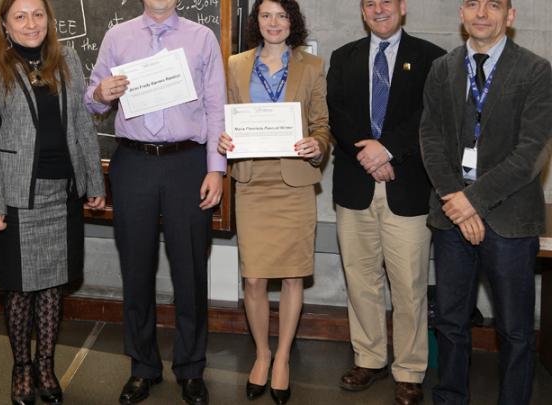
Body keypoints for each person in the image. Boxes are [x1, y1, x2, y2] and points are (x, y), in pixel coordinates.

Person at [84, 0, 225, 403]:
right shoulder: (117, 36)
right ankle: (142, 366)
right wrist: (99, 92)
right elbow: (90, 101)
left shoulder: (202, 38)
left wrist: (216, 168)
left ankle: (191, 367)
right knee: (136, 268)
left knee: (190, 269)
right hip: (134, 163)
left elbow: (216, 106)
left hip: (188, 164)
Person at [0, 0, 106, 403]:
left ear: (48, 20)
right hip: (15, 195)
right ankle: (21, 368)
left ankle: (46, 366)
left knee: (51, 286)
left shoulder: (66, 60)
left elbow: (82, 123)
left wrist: (93, 180)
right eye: (20, 16)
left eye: (38, 15)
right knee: (18, 290)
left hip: (61, 192)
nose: (31, 24)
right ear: (5, 24)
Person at [419, 1, 552, 403]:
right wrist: (454, 201)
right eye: (473, 4)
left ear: (509, 16)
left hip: (509, 219)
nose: (482, 13)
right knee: (450, 321)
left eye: (493, 4)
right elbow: (431, 139)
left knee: (513, 330)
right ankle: (449, 398)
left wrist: (471, 202)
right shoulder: (442, 69)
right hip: (451, 216)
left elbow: (532, 153)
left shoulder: (536, 70)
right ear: (462, 13)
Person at [326, 1, 445, 404]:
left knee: (409, 285)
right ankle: (370, 358)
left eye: (386, 2)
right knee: (360, 279)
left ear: (403, 8)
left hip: (407, 187)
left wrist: (388, 150)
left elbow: (433, 117)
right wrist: (369, 156)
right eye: (370, 4)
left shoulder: (431, 58)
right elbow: (337, 114)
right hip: (355, 186)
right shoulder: (344, 58)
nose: (379, 10)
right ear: (363, 12)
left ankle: (410, 370)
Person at [216, 0, 328, 403]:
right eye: (266, 15)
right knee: (254, 278)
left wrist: (318, 146)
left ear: (292, 22)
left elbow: (321, 126)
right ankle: (261, 354)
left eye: (282, 15)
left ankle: (282, 358)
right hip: (251, 183)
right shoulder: (235, 65)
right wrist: (223, 139)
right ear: (256, 21)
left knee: (294, 276)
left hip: (294, 183)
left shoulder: (312, 67)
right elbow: (224, 119)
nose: (274, 22)